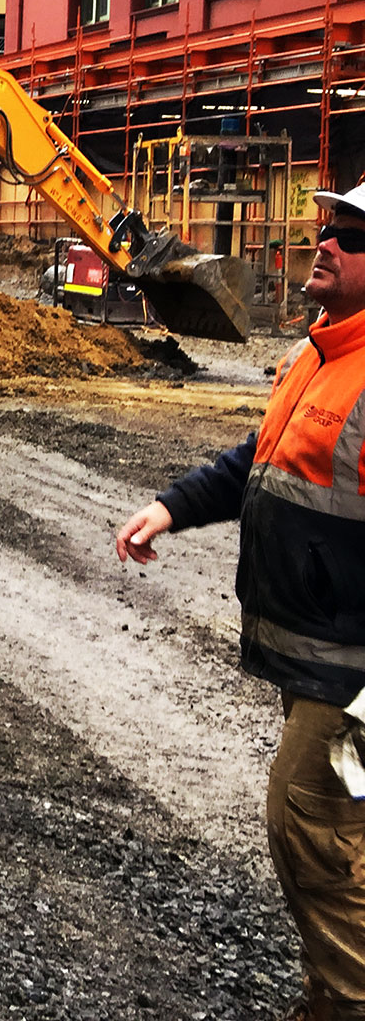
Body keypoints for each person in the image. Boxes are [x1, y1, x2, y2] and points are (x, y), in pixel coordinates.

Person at [117, 186, 365, 1021]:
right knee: (335, 837)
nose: (324, 240)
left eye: (353, 236)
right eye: (328, 226)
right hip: (317, 647)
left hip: (352, 672)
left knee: (310, 832)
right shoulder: (318, 354)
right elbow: (258, 458)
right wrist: (173, 506)